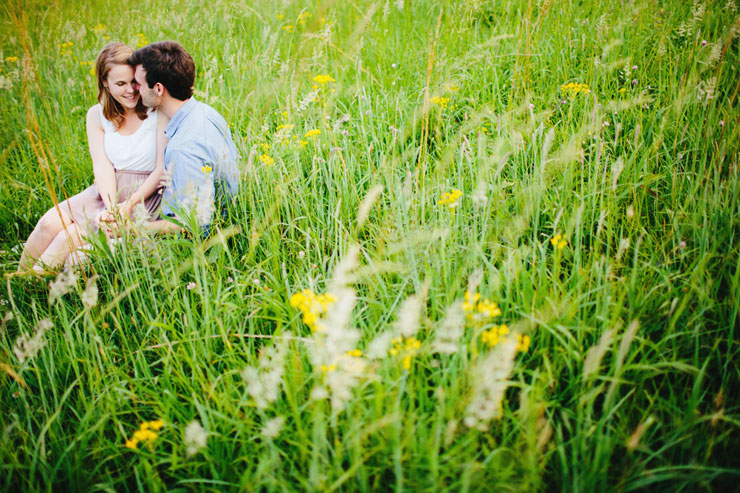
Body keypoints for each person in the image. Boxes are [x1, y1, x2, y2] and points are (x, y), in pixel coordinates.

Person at [17, 42, 168, 272]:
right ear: (105, 83)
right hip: (106, 191)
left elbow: (160, 169)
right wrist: (111, 207)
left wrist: (125, 207)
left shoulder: (156, 111)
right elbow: (102, 165)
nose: (130, 90)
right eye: (120, 84)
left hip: (142, 195)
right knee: (48, 224)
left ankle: (31, 286)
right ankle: (17, 280)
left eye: (133, 82)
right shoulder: (96, 115)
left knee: (68, 237)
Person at [109, 40, 239, 237]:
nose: (135, 89)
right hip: (213, 220)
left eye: (140, 84)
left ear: (159, 89)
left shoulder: (183, 148)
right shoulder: (204, 112)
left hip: (191, 244)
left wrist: (128, 231)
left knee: (78, 257)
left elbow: (195, 226)